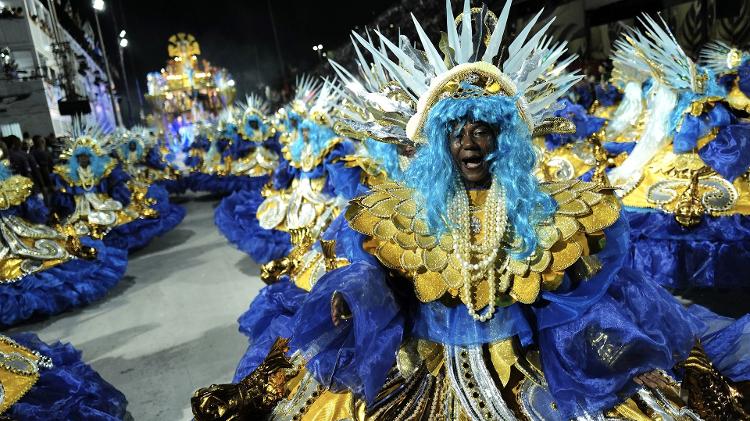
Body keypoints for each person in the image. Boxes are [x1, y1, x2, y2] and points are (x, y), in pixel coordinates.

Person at [193, 2, 750, 420]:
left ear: (504, 140)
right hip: (424, 370)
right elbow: (369, 268)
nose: (470, 145)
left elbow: (594, 292)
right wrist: (354, 291)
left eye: (483, 132)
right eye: (457, 134)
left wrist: (580, 283)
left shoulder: (546, 208)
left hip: (529, 372)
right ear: (438, 143)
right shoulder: (397, 211)